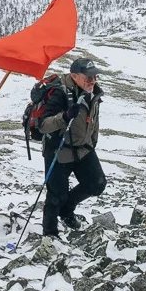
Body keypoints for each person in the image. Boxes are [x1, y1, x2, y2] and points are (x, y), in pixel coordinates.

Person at [38, 57, 106, 238]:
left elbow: (93, 120)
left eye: (94, 76)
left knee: (97, 184)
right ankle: (50, 235)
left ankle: (67, 211)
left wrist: (92, 142)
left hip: (84, 148)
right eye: (88, 77)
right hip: (58, 150)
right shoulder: (60, 93)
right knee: (56, 196)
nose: (93, 81)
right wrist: (65, 117)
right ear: (74, 76)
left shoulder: (94, 92)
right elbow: (43, 125)